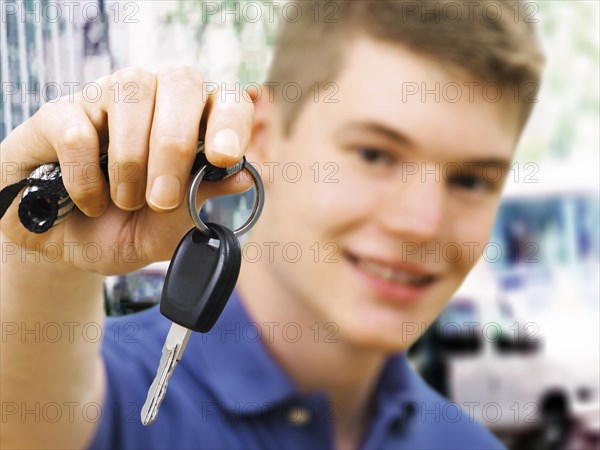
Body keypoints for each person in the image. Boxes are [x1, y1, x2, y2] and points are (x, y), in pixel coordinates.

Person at [1, 1, 544, 449]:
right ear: (260, 135)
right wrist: (38, 258)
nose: (422, 223)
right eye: (375, 154)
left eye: (473, 181)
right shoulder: (93, 387)